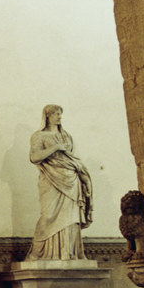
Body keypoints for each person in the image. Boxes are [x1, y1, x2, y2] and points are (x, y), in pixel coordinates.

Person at [26, 104, 93, 261]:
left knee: (71, 217)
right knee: (48, 215)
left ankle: (68, 252)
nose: (59, 117)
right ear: (47, 116)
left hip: (71, 178)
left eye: (60, 114)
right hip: (50, 179)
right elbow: (34, 157)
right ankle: (38, 253)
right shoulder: (39, 136)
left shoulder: (66, 136)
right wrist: (56, 147)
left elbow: (71, 158)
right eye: (56, 114)